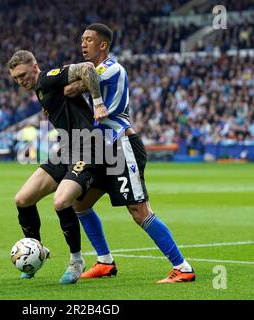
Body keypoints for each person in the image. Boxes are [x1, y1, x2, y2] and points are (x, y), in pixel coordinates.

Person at [65, 23, 196, 283]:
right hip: (102, 148)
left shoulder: (111, 68)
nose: (83, 44)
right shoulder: (93, 69)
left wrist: (65, 81)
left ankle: (182, 267)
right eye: (82, 39)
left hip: (121, 146)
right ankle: (105, 262)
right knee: (79, 203)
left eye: (89, 40)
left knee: (138, 210)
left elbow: (70, 89)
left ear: (103, 45)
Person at [7, 50, 107, 284]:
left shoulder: (48, 78)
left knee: (61, 201)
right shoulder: (41, 91)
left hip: (89, 147)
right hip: (66, 149)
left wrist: (98, 103)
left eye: (23, 74)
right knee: (23, 199)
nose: (21, 81)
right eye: (16, 78)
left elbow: (88, 68)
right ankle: (36, 251)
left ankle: (76, 260)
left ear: (34, 67)